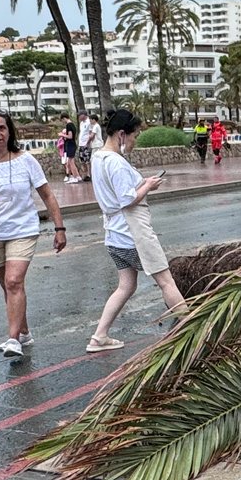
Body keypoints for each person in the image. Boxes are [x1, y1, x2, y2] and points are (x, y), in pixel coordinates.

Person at [0, 110, 67, 358]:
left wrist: (59, 228)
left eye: (1, 127)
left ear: (9, 131)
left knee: (13, 282)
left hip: (23, 230)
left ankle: (12, 340)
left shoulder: (26, 160)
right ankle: (24, 332)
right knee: (8, 287)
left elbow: (47, 195)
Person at [87, 109, 187, 352]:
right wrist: (148, 186)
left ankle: (99, 336)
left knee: (125, 286)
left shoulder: (98, 158)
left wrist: (142, 183)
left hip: (113, 235)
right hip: (133, 234)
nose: (134, 141)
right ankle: (193, 330)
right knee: (166, 282)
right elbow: (126, 199)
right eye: (134, 136)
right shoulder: (116, 162)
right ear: (122, 134)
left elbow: (116, 194)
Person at [77, 111, 101, 181]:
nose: (79, 117)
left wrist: (88, 143)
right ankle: (85, 173)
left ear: (83, 115)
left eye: (79, 116)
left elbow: (91, 133)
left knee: (88, 160)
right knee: (82, 160)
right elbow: (81, 133)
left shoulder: (89, 122)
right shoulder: (81, 123)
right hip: (81, 144)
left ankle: (89, 174)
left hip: (87, 144)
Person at [59, 114, 79, 184]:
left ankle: (75, 177)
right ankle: (77, 176)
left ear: (64, 118)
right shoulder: (72, 125)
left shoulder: (69, 125)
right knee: (71, 161)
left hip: (70, 144)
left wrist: (62, 135)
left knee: (71, 162)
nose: (63, 122)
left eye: (62, 120)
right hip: (72, 144)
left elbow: (70, 136)